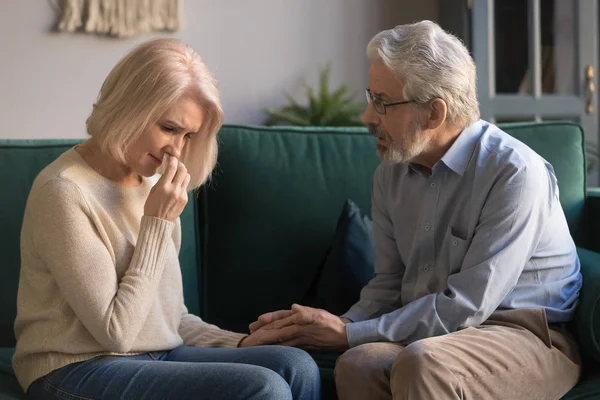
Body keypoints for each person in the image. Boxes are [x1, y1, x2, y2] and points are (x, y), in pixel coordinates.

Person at [246, 20, 583, 399]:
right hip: (438, 337)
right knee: (358, 363)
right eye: (370, 97)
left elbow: (468, 306)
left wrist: (347, 334)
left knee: (424, 363)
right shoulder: (390, 176)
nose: (367, 117)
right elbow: (389, 284)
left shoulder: (514, 173)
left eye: (383, 102)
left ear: (434, 114)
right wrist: (338, 324)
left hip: (527, 336)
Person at [13, 38, 320, 400]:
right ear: (129, 108)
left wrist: (238, 342)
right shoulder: (65, 191)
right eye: (169, 128)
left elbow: (167, 318)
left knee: (296, 365)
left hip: (154, 356)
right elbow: (118, 332)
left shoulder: (155, 182)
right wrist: (155, 223)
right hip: (73, 367)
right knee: (264, 388)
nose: (177, 150)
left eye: (188, 135)